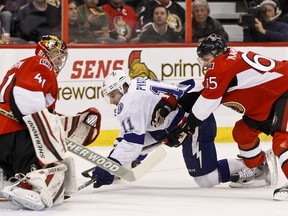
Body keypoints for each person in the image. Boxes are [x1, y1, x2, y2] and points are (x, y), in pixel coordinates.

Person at [152, 33, 288, 200]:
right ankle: (259, 169)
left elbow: (204, 107)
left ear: (217, 54)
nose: (204, 63)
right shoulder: (227, 60)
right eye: (201, 59)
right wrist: (171, 102)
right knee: (242, 133)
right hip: (267, 102)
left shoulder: (221, 67)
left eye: (206, 58)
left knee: (282, 141)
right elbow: (201, 89)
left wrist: (185, 129)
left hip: (283, 93)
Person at [90, 69, 273, 189]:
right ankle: (120, 164)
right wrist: (113, 162)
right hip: (177, 122)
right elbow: (133, 134)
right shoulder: (137, 85)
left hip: (194, 124)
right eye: (109, 97)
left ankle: (255, 165)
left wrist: (108, 166)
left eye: (113, 95)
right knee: (135, 140)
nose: (113, 101)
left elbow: (132, 142)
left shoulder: (129, 103)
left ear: (124, 87)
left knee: (206, 180)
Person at [0, 34, 101, 210]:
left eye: (62, 56)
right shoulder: (41, 63)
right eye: (57, 54)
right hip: (15, 133)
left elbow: (34, 106)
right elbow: (26, 102)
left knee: (16, 170)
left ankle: (7, 180)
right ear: (45, 52)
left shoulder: (22, 65)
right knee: (58, 165)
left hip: (4, 135)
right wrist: (49, 135)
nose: (60, 59)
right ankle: (35, 190)